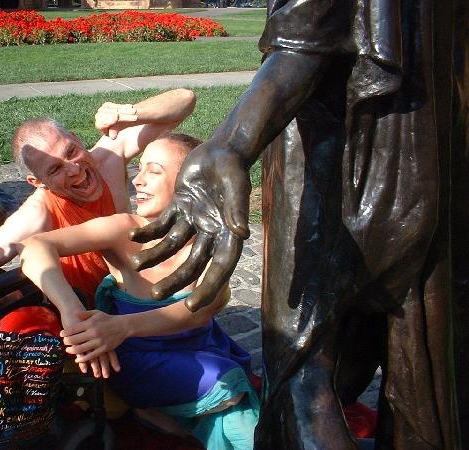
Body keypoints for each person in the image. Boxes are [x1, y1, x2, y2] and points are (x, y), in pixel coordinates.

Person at [127, 1, 461, 449]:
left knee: (303, 374)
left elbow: (305, 38)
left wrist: (231, 141)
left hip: (321, 157)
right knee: (421, 374)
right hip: (429, 156)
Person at [17, 133, 259, 450]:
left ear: (193, 183)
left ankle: (166, 415)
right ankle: (165, 409)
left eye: (154, 171)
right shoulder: (125, 230)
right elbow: (35, 247)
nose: (138, 180)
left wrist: (120, 326)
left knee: (236, 413)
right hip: (136, 359)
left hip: (196, 347)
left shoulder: (212, 241)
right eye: (140, 168)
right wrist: (72, 313)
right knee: (231, 394)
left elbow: (201, 311)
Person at [0, 88, 196, 307]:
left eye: (71, 152)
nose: (74, 169)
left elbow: (185, 100)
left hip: (141, 292)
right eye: (55, 169)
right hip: (89, 311)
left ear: (77, 139)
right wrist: (18, 300)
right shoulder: (39, 211)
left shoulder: (108, 159)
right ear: (38, 182)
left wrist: (126, 113)